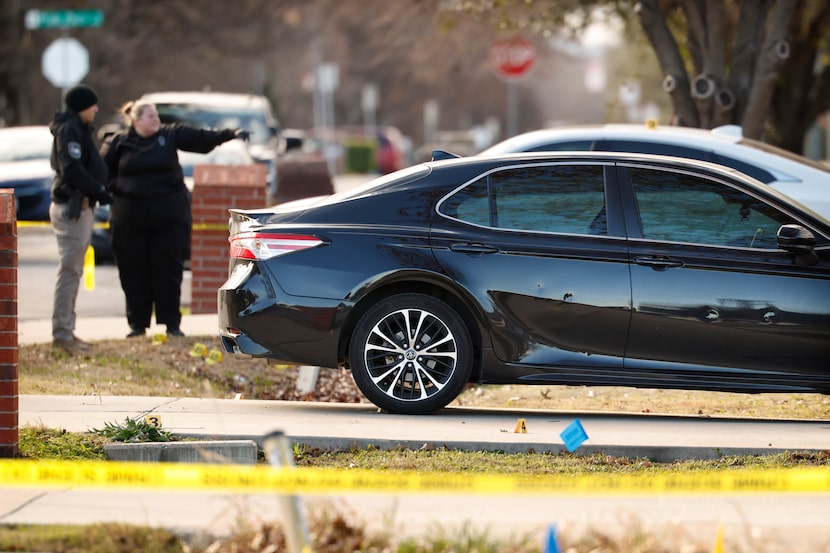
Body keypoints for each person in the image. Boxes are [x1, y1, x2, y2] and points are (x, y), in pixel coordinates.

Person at [100, 100, 248, 338]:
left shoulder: (169, 135)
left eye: (156, 115)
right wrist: (115, 189)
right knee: (133, 271)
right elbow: (102, 173)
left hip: (169, 217)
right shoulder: (118, 143)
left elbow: (200, 139)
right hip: (130, 219)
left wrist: (230, 134)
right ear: (136, 120)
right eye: (150, 116)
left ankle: (171, 324)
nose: (156, 120)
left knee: (168, 270)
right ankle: (137, 325)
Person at [48, 83, 113, 355]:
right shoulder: (70, 129)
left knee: (73, 271)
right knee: (70, 270)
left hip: (82, 207)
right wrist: (98, 190)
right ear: (82, 106)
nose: (96, 109)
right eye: (93, 104)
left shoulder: (78, 128)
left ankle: (67, 331)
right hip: (72, 208)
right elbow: (72, 169)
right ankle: (62, 334)